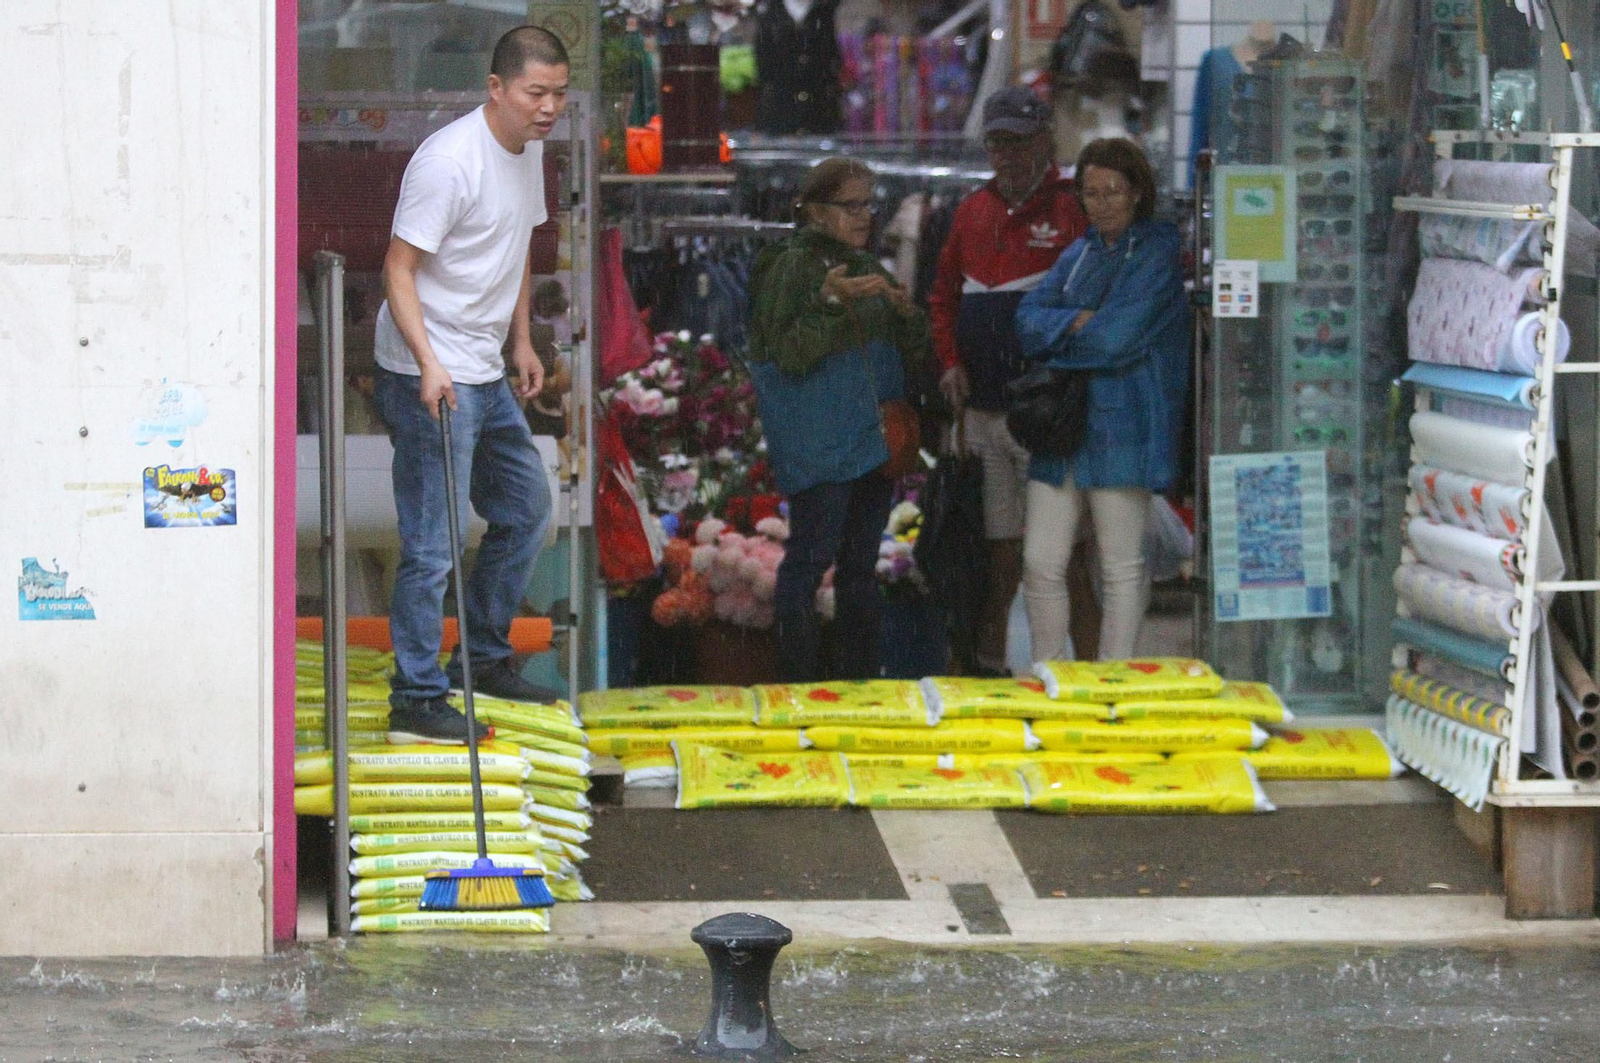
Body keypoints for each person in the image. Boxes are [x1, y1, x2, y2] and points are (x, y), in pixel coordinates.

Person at [371, 26, 569, 743]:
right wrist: (428, 361)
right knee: (434, 543)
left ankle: (480, 659)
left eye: (558, 94)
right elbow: (397, 267)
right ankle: (416, 700)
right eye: (534, 93)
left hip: (485, 366)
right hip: (428, 372)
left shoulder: (530, 152)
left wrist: (521, 340)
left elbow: (515, 249)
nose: (548, 108)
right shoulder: (449, 161)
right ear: (496, 89)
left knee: (525, 510)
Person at [927, 86, 1102, 673]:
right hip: (982, 412)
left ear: (1044, 139)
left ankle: (1094, 674)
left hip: (1047, 414)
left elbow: (1095, 303)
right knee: (996, 558)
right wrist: (949, 360)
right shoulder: (972, 211)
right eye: (997, 142)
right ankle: (988, 670)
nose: (1007, 155)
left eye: (1018, 142)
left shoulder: (1072, 207)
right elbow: (943, 298)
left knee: (1065, 560)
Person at [747, 157, 931, 680]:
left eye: (868, 204)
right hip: (822, 444)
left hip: (874, 444)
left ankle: (860, 687)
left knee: (858, 572)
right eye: (850, 205)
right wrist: (829, 299)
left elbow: (912, 353)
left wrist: (906, 317)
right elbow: (786, 352)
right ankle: (797, 687)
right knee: (808, 563)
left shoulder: (868, 266)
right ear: (815, 210)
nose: (864, 216)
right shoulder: (788, 265)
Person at [1014, 137, 1187, 662]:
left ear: (1137, 192)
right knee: (1039, 562)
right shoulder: (1079, 252)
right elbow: (1025, 321)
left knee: (1121, 567)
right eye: (1091, 192)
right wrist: (1076, 322)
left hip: (1124, 427)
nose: (1102, 202)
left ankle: (1116, 678)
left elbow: (1117, 339)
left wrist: (1060, 333)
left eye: (1113, 190)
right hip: (1062, 428)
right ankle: (1048, 676)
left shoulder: (1157, 251)